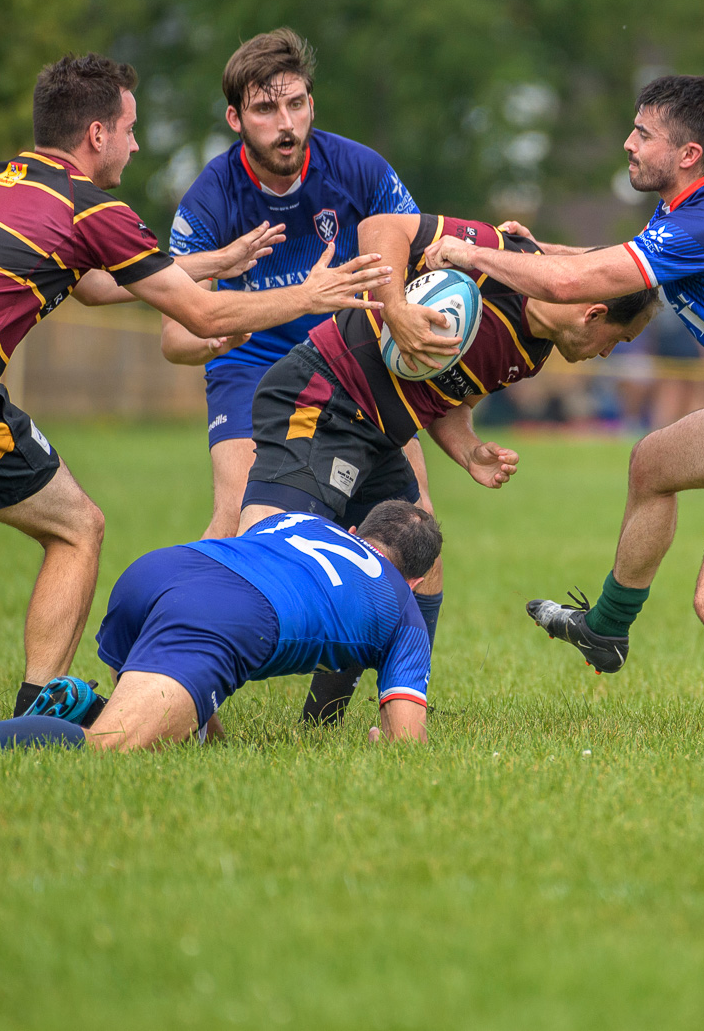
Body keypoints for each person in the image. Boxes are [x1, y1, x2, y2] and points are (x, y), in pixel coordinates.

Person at [0, 53, 393, 725]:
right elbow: (206, 317)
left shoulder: (1, 180)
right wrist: (309, 293)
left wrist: (217, 260)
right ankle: (37, 709)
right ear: (97, 134)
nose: (136, 142)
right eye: (129, 128)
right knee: (78, 529)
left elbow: (97, 285)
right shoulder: (92, 206)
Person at [422, 74, 704, 741]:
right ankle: (607, 629)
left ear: (687, 153)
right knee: (653, 463)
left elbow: (583, 282)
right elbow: (612, 263)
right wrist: (538, 249)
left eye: (643, 135)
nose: (628, 144)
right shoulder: (700, 206)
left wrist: (473, 254)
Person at [242, 210, 660, 723]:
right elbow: (381, 227)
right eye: (616, 341)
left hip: (377, 435)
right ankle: (179, 682)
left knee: (420, 555)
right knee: (271, 554)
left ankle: (345, 718)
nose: (607, 355)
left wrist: (468, 449)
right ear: (593, 314)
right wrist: (394, 306)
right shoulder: (492, 259)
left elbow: (443, 395)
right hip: (322, 395)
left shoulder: (532, 354)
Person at [0, 501, 439, 753]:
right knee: (113, 750)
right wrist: (381, 741)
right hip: (225, 611)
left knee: (174, 739)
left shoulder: (306, 523)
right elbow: (406, 742)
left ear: (354, 530)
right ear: (414, 579)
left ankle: (84, 705)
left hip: (161, 571)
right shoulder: (406, 610)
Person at [161, 29, 431, 542]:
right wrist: (218, 336)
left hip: (353, 357)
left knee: (413, 528)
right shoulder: (209, 199)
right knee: (242, 518)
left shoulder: (359, 170)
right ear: (235, 120)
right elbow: (174, 340)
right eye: (265, 110)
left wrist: (484, 247)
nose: (286, 125)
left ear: (312, 103)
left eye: (296, 104)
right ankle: (197, 618)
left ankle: (405, 627)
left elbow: (424, 250)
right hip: (250, 366)